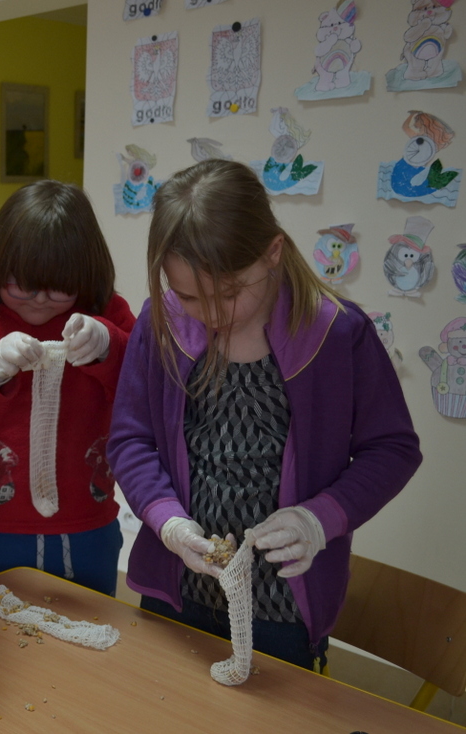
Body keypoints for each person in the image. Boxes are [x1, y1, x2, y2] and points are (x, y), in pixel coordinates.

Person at [107, 159, 422, 671]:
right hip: (177, 587)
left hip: (283, 608)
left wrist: (318, 519)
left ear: (273, 252)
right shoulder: (162, 322)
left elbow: (393, 449)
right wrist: (168, 523)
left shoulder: (338, 333)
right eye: (188, 296)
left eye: (229, 294)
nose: (211, 315)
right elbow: (129, 440)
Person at [0, 181, 136, 595]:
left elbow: (143, 397)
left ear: (85, 274)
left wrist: (109, 346)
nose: (40, 300)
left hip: (87, 525)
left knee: (91, 625)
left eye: (59, 286)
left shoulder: (107, 313)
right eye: (23, 285)